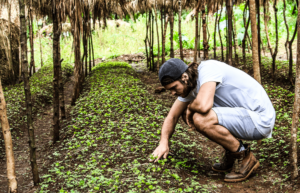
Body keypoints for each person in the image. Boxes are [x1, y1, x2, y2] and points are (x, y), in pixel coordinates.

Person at [150, 58, 276, 182]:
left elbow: (204, 105)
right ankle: (233, 153)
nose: (172, 93)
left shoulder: (208, 69)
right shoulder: (188, 86)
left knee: (200, 118)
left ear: (184, 77)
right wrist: (163, 142)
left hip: (260, 119)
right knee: (187, 113)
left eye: (174, 87)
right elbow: (172, 116)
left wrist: (190, 107)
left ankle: (243, 156)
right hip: (244, 118)